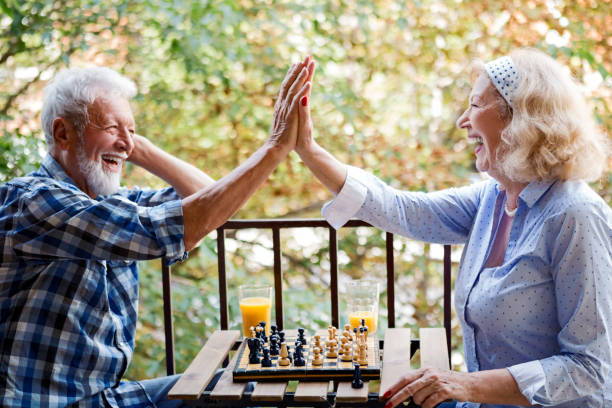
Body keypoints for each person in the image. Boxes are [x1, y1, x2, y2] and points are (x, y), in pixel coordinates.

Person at [296, 49, 611, 408]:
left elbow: (590, 368)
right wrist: (306, 148)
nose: (463, 120)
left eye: (476, 105)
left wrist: (467, 385)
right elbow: (400, 209)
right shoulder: (492, 199)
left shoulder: (575, 216)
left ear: (520, 118)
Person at [0, 58, 312, 407]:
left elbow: (211, 200)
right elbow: (177, 226)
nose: (125, 142)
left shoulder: (111, 201)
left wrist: (134, 145)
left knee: (240, 385)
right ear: (63, 133)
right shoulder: (35, 202)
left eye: (131, 129)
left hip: (105, 398)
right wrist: (274, 148)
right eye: (110, 126)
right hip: (46, 403)